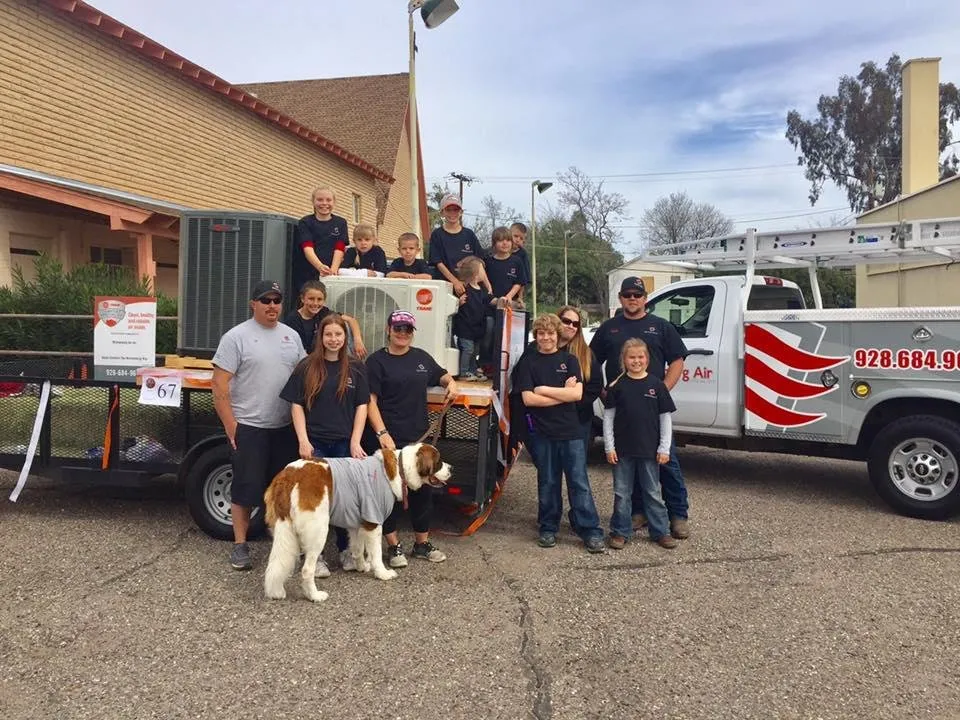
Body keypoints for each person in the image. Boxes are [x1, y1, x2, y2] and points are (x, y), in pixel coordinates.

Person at [211, 280, 306, 571]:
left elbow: (305, 377)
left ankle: (285, 545)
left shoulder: (291, 337)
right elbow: (219, 385)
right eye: (265, 300)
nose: (272, 306)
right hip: (249, 426)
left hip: (283, 427)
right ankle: (240, 546)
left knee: (284, 492)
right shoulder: (236, 337)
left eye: (277, 300)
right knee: (245, 489)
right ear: (253, 304)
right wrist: (231, 426)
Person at [589, 276, 691, 540]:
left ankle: (678, 515)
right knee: (630, 463)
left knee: (666, 462)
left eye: (637, 295)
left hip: (652, 410)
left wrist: (661, 392)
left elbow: (678, 361)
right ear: (621, 298)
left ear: (645, 298)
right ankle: (638, 512)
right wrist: (603, 393)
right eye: (627, 295)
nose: (632, 299)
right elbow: (590, 361)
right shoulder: (609, 328)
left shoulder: (661, 327)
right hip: (622, 410)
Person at [365, 310, 459, 567]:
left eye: (407, 329)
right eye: (398, 328)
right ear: (388, 330)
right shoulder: (376, 362)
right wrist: (382, 433)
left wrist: (450, 382)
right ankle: (393, 547)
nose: (402, 333)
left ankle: (421, 543)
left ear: (412, 332)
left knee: (422, 494)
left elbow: (440, 374)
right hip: (387, 439)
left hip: (418, 440)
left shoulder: (421, 358)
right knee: (386, 496)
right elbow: (369, 401)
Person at [280, 314, 370, 575]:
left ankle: (346, 551)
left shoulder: (355, 368)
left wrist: (355, 441)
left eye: (338, 335)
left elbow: (362, 406)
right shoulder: (307, 366)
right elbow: (296, 405)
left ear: (345, 338)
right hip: (315, 445)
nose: (334, 339)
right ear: (321, 337)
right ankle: (313, 557)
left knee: (344, 503)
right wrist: (303, 440)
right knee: (314, 504)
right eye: (328, 335)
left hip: (344, 446)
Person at [513, 313, 605, 553]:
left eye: (550, 333)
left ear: (557, 334)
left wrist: (543, 389)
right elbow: (528, 399)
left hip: (572, 432)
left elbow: (576, 395)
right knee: (548, 482)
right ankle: (548, 527)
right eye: (541, 334)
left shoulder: (571, 360)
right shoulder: (529, 363)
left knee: (579, 482)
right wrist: (559, 394)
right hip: (542, 433)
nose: (546, 338)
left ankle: (591, 530)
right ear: (536, 336)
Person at [603, 338, 678, 550]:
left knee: (653, 491)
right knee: (621, 493)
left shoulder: (657, 386)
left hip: (649, 451)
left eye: (640, 357)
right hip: (622, 451)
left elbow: (665, 419)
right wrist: (609, 447)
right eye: (631, 357)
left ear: (647, 359)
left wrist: (664, 448)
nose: (636, 361)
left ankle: (661, 531)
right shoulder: (617, 387)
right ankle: (620, 531)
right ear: (624, 360)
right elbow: (608, 419)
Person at [556, 305, 603, 448]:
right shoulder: (539, 349)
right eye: (566, 321)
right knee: (549, 469)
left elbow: (595, 386)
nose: (571, 326)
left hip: (578, 419)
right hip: (547, 420)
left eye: (575, 324)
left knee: (576, 469)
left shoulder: (586, 354)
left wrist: (572, 404)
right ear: (557, 320)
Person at [283, 280, 366, 358]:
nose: (315, 303)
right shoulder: (293, 319)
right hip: (308, 360)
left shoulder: (323, 312)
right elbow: (300, 352)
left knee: (344, 325)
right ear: (302, 299)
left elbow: (351, 320)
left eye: (319, 299)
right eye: (311, 299)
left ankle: (350, 363)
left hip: (327, 355)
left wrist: (357, 340)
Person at [428, 194, 490, 295]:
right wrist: (455, 282)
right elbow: (438, 263)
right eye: (448, 210)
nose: (452, 213)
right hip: (445, 288)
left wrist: (486, 284)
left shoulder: (469, 234)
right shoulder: (437, 235)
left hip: (468, 289)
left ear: (461, 212)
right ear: (442, 212)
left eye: (456, 210)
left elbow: (479, 261)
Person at [293, 186, 348, 291]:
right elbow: (307, 247)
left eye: (328, 200)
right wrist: (320, 267)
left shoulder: (341, 223)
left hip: (332, 274)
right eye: (319, 200)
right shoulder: (305, 222)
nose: (324, 203)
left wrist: (333, 270)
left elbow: (340, 247)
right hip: (308, 275)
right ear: (313, 202)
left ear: (334, 202)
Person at [453, 256, 500, 381]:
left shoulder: (482, 290)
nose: (484, 272)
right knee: (468, 350)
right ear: (474, 274)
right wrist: (458, 302)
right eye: (481, 270)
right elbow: (454, 303)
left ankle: (472, 370)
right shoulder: (464, 289)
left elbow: (491, 300)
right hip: (465, 328)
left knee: (475, 351)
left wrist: (502, 301)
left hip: (478, 328)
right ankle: (463, 372)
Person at [483, 226, 528, 305]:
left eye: (508, 240)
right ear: (494, 243)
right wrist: (495, 300)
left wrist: (509, 296)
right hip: (491, 305)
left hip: (510, 305)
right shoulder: (487, 262)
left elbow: (519, 283)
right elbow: (484, 284)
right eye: (500, 240)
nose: (505, 243)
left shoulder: (517, 261)